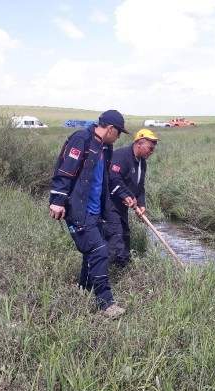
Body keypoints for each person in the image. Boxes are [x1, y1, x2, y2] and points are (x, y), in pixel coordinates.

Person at [49, 109, 130, 319]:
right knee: (100, 251)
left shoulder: (105, 147)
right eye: (119, 132)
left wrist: (124, 195)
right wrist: (57, 201)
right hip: (78, 208)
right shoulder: (81, 139)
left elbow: (108, 177)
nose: (119, 137)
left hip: (95, 210)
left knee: (91, 252)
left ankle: (83, 288)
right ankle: (106, 304)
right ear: (110, 128)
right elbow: (65, 171)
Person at [104, 128, 159, 267]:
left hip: (122, 207)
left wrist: (141, 204)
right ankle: (107, 272)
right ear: (139, 143)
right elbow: (113, 179)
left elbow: (140, 187)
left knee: (125, 235)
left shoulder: (142, 162)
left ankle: (123, 268)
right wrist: (126, 195)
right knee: (115, 237)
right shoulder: (121, 155)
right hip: (110, 205)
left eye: (153, 149)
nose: (151, 152)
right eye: (150, 148)